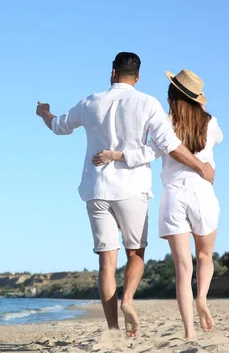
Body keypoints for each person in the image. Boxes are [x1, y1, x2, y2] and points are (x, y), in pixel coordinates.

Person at [35, 53, 215, 337]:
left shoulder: (90, 102)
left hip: (96, 189)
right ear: (138, 77)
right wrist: (201, 167)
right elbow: (169, 144)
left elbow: (59, 126)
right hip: (132, 189)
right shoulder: (148, 103)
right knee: (136, 253)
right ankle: (128, 299)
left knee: (106, 262)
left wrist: (44, 112)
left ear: (112, 72)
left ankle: (113, 330)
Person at [92, 69, 222, 339]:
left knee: (182, 268)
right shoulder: (211, 122)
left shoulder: (167, 122)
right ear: (196, 97)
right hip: (203, 194)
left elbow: (147, 153)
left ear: (172, 95)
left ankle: (189, 333)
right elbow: (217, 139)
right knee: (204, 257)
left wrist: (115, 155)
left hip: (174, 197)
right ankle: (203, 297)